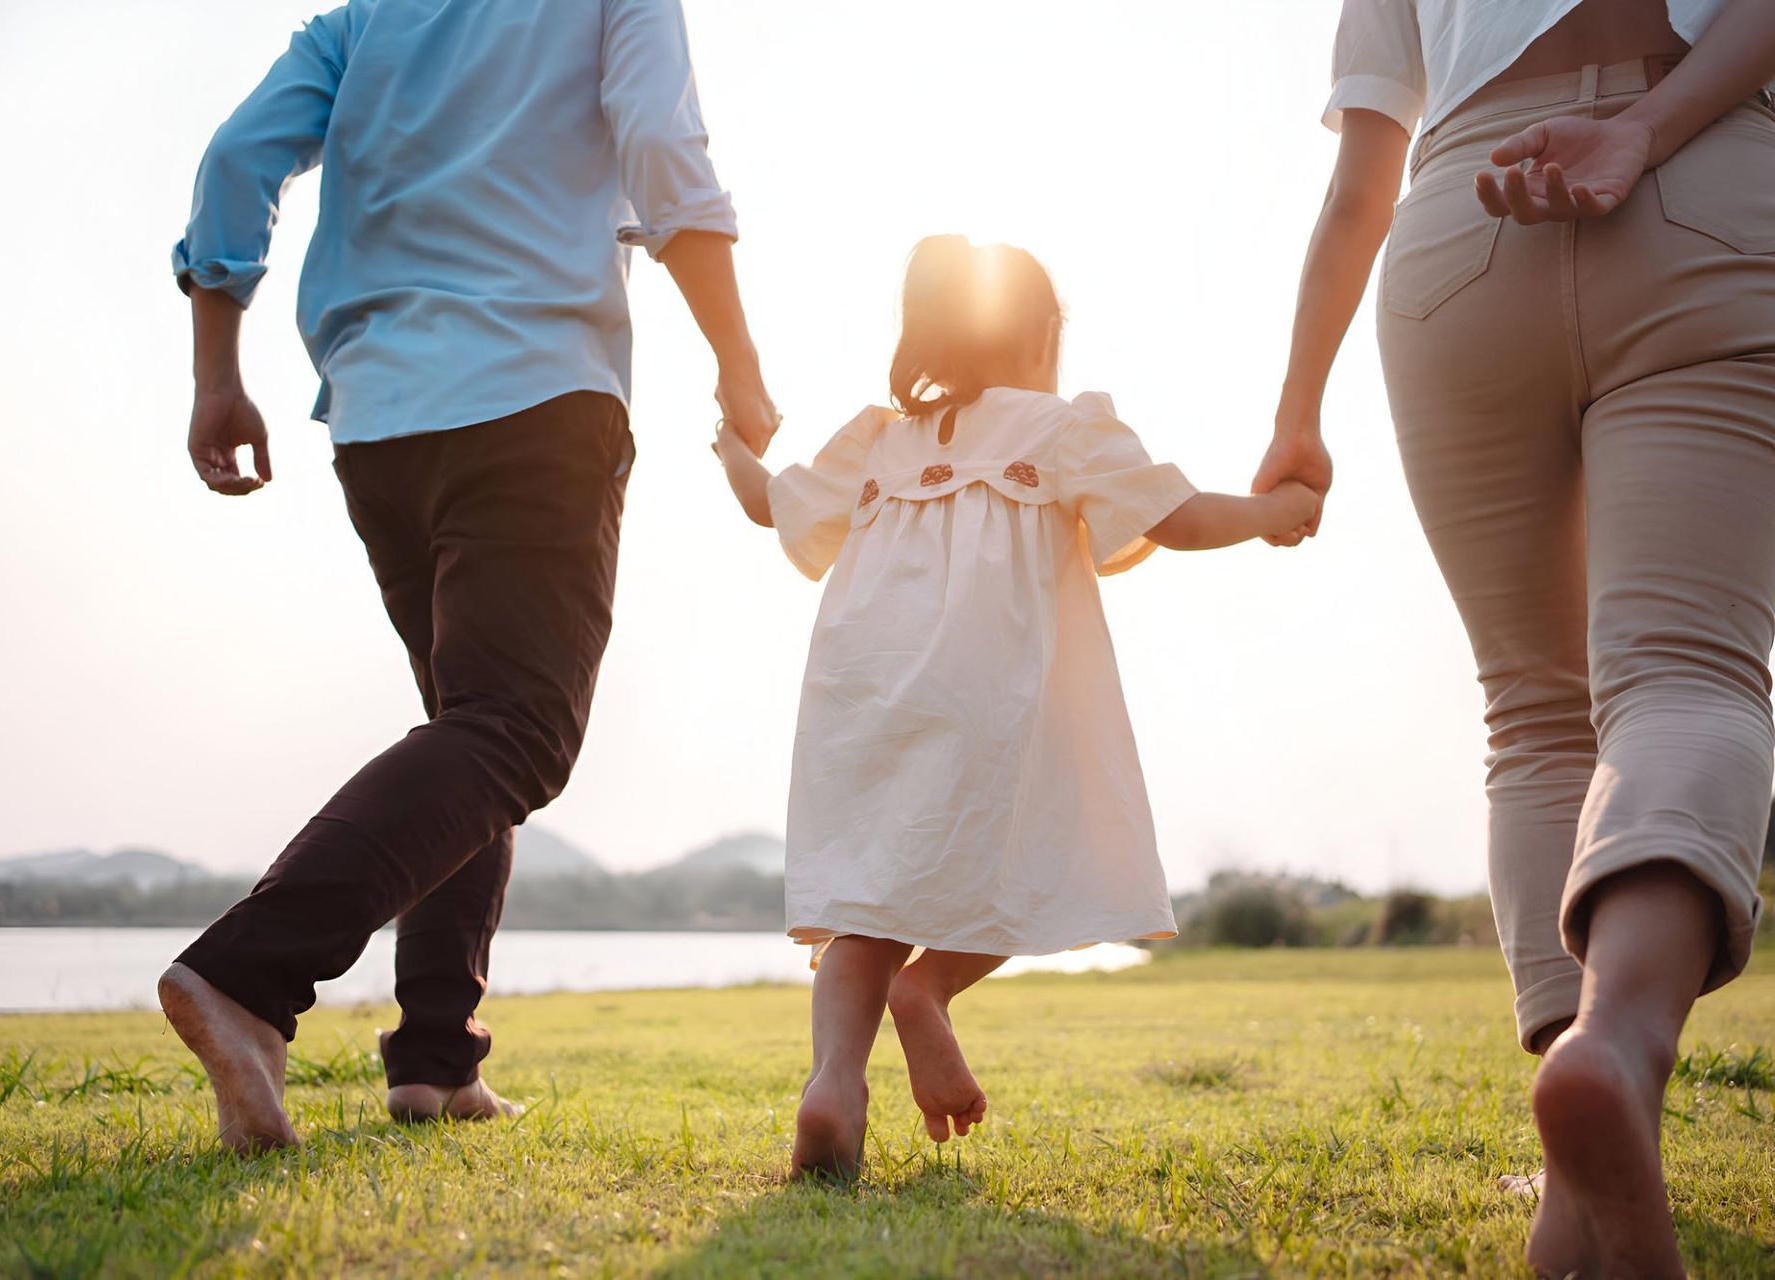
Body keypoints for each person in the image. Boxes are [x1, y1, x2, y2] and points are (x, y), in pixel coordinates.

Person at [160, 0, 778, 1154]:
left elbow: (238, 156)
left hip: (382, 422)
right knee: (515, 726)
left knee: (466, 724)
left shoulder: (359, 26)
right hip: (535, 394)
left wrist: (215, 374)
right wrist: (736, 357)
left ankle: (438, 1063)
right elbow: (661, 145)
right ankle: (247, 976)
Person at [1256, 0, 1775, 1271]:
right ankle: (1617, 1044)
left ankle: (1575, 1188)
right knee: (1687, 672)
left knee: (1533, 712)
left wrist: (1295, 411)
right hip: (1698, 167)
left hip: (1456, 224)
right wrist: (1642, 129)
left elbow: (1358, 180)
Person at [712, 236, 1320, 1179]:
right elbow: (1179, 516)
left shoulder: (876, 440)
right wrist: (1271, 513)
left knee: (864, 897)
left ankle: (834, 1082)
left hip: (862, 693)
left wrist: (732, 448)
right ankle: (932, 989)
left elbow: (769, 506)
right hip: (991, 692)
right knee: (1042, 839)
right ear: (1040, 334)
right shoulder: (1062, 429)